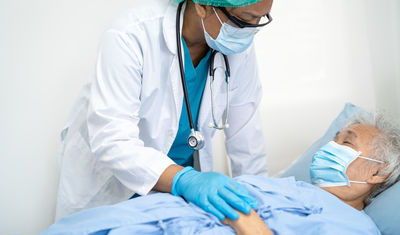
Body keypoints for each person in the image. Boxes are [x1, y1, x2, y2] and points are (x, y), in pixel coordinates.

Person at [55, 0, 287, 220]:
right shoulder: (131, 35)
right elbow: (113, 140)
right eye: (244, 20)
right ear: (202, 5)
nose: (250, 32)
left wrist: (258, 200)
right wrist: (185, 179)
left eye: (261, 19)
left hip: (177, 196)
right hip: (116, 185)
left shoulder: (236, 48)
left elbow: (247, 142)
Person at [43, 114, 400, 234]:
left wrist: (244, 219)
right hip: (133, 218)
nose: (329, 147)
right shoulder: (291, 187)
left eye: (346, 143)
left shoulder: (353, 227)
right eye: (335, 137)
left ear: (377, 173)